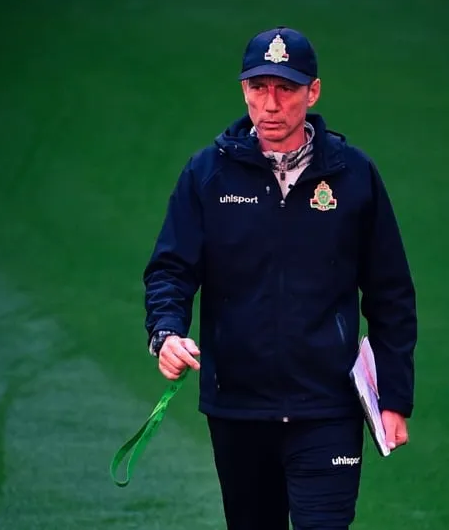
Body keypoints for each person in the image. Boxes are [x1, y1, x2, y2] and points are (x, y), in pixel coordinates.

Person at [142, 26, 418, 530]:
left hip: (328, 407)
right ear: (243, 90)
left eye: (286, 88)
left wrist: (394, 398)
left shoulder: (353, 175)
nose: (271, 104)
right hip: (238, 409)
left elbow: (391, 294)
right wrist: (166, 333)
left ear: (313, 92)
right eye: (258, 87)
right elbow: (171, 269)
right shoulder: (207, 175)